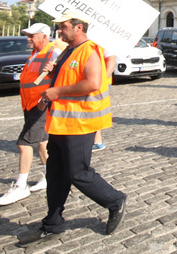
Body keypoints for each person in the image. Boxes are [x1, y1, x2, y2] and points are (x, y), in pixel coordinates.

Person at [18, 13, 126, 246]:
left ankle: (115, 200)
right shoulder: (67, 51)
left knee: (79, 173)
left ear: (79, 28)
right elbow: (65, 79)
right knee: (56, 174)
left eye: (63, 27)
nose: (59, 31)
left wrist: (57, 92)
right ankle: (52, 224)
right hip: (60, 122)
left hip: (80, 123)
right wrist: (52, 76)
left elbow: (93, 83)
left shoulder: (89, 49)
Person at [0, 23, 60, 206]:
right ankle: (50, 176)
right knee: (41, 142)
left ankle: (21, 185)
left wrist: (53, 70)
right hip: (30, 104)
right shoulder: (35, 54)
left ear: (44, 37)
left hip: (41, 105)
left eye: (32, 36)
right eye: (28, 35)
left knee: (24, 144)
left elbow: (62, 76)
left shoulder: (53, 52)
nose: (28, 39)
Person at [93, 50, 117, 151]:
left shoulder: (103, 43)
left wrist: (101, 80)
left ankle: (97, 142)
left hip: (99, 83)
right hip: (95, 82)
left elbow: (111, 60)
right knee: (92, 111)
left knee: (94, 111)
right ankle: (96, 141)